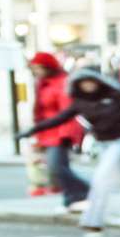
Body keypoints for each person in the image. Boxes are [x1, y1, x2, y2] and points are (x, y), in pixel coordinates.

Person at [20, 70, 120, 233]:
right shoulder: (80, 103)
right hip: (103, 144)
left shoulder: (114, 96)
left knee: (101, 179)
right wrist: (33, 130)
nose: (88, 86)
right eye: (84, 83)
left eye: (91, 82)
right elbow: (58, 119)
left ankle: (93, 219)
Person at [28, 51, 88, 211]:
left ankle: (85, 190)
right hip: (47, 131)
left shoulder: (62, 82)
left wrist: (66, 134)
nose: (36, 72)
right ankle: (72, 198)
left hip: (61, 130)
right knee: (58, 168)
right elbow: (39, 112)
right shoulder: (41, 83)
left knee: (57, 167)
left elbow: (67, 112)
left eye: (38, 68)